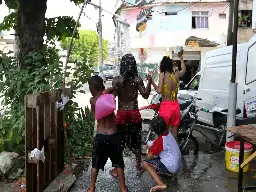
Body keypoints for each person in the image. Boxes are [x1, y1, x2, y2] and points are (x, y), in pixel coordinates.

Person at [110, 53, 152, 176]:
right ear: (134, 65)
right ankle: (138, 166)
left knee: (120, 143)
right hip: (134, 113)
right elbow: (145, 95)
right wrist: (149, 81)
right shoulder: (137, 79)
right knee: (136, 142)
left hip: (122, 114)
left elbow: (112, 97)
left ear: (122, 65)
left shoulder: (117, 80)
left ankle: (116, 170)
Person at [88, 75, 128, 192]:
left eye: (90, 87)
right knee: (118, 163)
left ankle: (91, 188)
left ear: (94, 87)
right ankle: (123, 187)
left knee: (95, 164)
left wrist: (107, 90)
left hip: (100, 136)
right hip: (113, 135)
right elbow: (111, 93)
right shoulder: (110, 96)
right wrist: (112, 88)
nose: (89, 89)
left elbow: (97, 108)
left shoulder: (93, 101)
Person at [150, 52, 186, 139]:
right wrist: (181, 58)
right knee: (174, 133)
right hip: (175, 106)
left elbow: (159, 90)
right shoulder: (176, 74)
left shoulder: (162, 75)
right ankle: (175, 151)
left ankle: (166, 151)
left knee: (164, 135)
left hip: (166, 107)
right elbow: (184, 70)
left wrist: (152, 82)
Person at [142, 116, 182, 191]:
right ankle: (168, 173)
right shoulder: (168, 134)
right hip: (178, 164)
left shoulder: (160, 141)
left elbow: (148, 157)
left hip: (172, 167)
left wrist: (148, 148)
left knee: (145, 163)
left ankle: (160, 184)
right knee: (159, 156)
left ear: (155, 130)